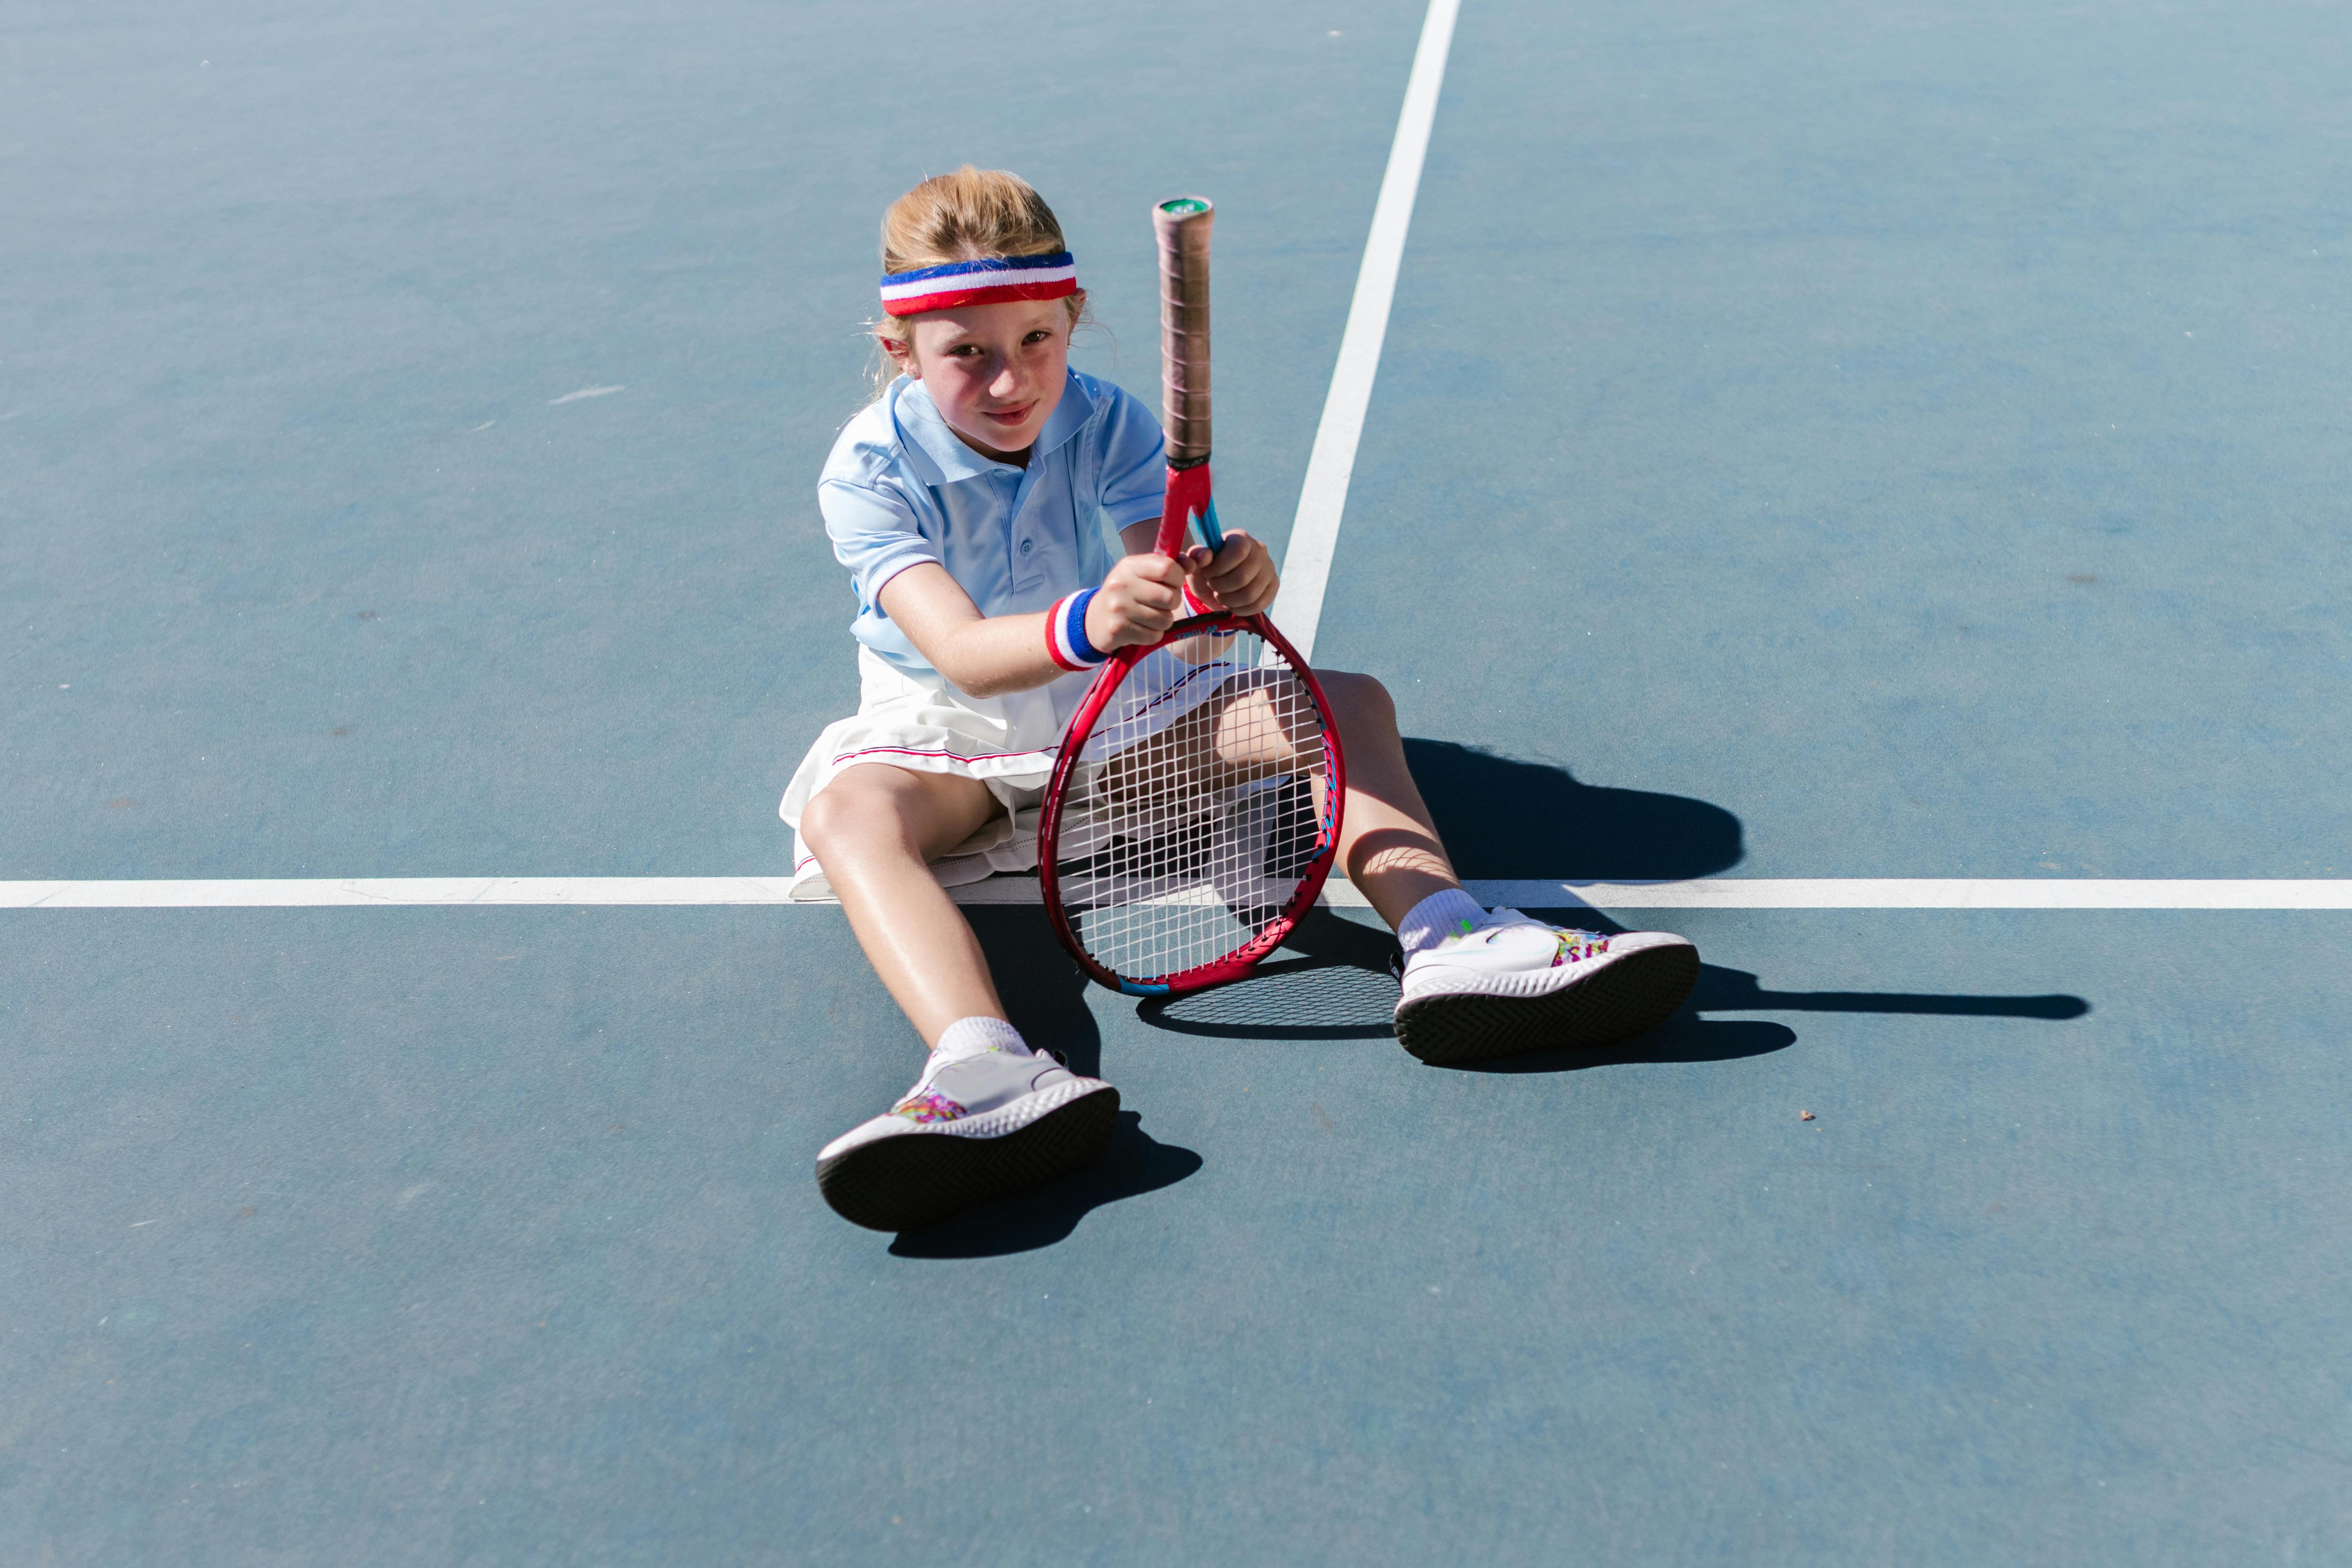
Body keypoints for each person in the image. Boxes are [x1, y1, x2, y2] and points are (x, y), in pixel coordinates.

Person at [785, 167, 1700, 1231]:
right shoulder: (865, 468)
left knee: (1345, 700)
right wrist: (1089, 619)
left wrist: (1233, 580)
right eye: (968, 354)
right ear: (902, 352)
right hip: (958, 753)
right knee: (846, 814)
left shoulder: (1111, 419)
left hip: (1126, 735)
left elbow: (1182, 584)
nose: (1009, 380)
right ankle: (983, 1069)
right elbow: (962, 653)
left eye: (1036, 339)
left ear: (1071, 316)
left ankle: (1452, 941)